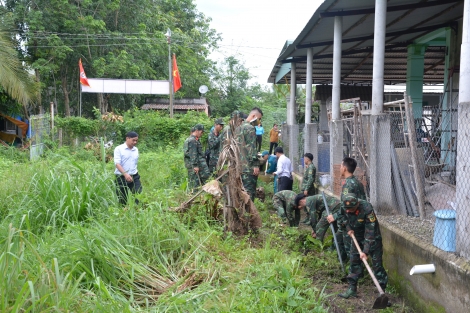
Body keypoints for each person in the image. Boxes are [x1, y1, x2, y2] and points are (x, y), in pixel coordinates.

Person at [336, 194, 388, 299]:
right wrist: (348, 227)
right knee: (354, 261)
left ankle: (382, 292)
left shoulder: (367, 208)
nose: (348, 211)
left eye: (351, 209)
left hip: (373, 239)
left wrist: (365, 251)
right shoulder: (344, 206)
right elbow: (340, 216)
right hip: (357, 237)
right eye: (347, 209)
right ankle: (352, 289)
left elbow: (370, 232)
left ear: (357, 204)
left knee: (377, 265)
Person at [327, 157, 367, 258]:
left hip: (350, 221)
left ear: (344, 168)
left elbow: (346, 206)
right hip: (358, 219)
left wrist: (335, 216)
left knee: (351, 250)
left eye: (341, 166)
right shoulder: (358, 183)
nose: (340, 168)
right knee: (339, 239)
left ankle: (354, 270)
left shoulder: (348, 185)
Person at [236, 107, 263, 201]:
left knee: (240, 194)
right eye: (259, 119)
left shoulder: (238, 127)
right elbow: (251, 148)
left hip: (239, 167)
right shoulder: (250, 128)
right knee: (249, 195)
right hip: (249, 168)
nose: (259, 122)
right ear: (254, 116)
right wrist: (256, 165)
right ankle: (248, 215)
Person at [114, 131, 142, 205]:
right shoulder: (119, 149)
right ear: (127, 138)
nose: (135, 142)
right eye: (133, 140)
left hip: (134, 176)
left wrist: (133, 174)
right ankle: (123, 212)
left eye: (136, 140)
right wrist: (125, 174)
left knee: (138, 194)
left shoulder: (136, 150)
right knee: (122, 198)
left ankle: (136, 210)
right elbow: (117, 164)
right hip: (121, 177)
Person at [184, 124, 210, 192]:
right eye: (201, 132)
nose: (202, 134)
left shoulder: (192, 139)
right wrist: (195, 166)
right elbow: (193, 154)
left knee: (197, 182)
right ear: (197, 131)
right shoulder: (192, 140)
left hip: (193, 165)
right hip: (194, 166)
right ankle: (194, 198)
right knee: (195, 184)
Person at [300, 153, 317, 223]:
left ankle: (311, 219)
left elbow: (310, 179)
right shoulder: (309, 167)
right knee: (305, 203)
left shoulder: (311, 167)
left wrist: (306, 189)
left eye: (304, 158)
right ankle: (307, 217)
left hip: (309, 190)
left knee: (309, 204)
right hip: (305, 188)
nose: (304, 160)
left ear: (308, 159)